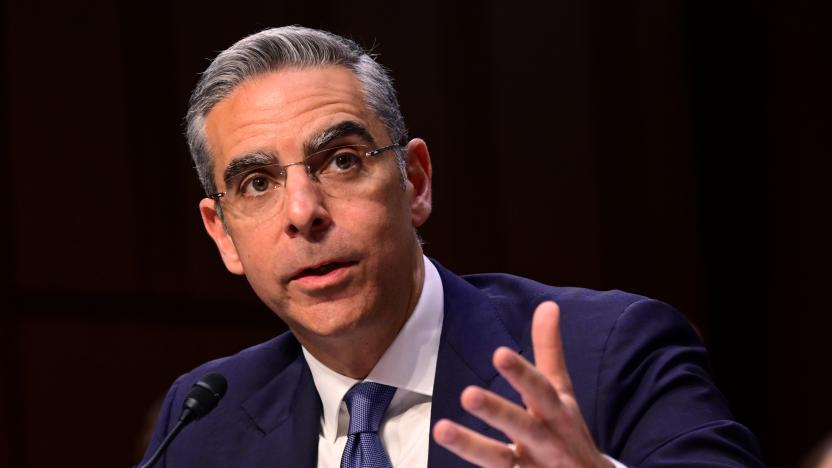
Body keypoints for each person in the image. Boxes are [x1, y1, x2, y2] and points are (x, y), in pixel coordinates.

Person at [138, 26, 764, 467]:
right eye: (257, 182)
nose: (304, 213)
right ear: (224, 234)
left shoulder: (610, 352)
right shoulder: (204, 423)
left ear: (414, 182)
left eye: (342, 161)